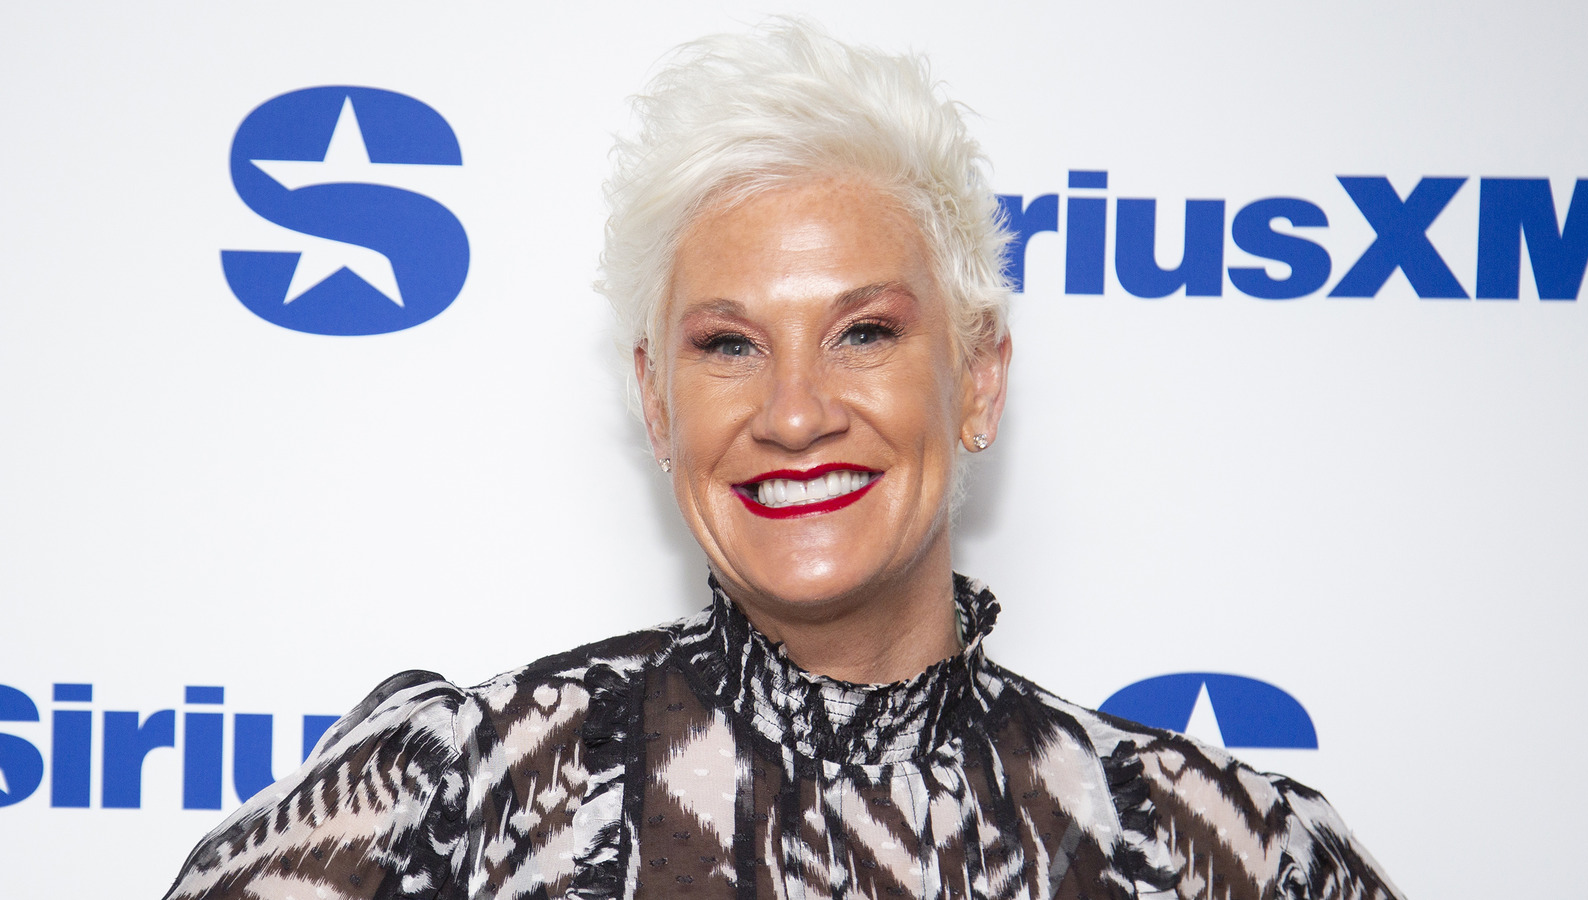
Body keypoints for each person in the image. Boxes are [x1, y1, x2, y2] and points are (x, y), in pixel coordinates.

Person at [164, 21, 1403, 900]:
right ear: (657, 403)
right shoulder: (457, 797)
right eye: (728, 346)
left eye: (864, 333)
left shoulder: (1221, 851)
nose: (795, 413)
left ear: (978, 377)